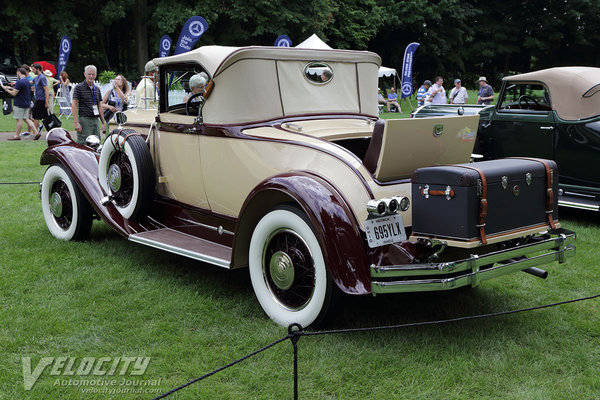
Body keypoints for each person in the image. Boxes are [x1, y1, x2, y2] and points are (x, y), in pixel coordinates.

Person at [72, 65, 106, 144]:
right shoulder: (79, 88)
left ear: (95, 75)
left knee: (96, 142)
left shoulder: (97, 89)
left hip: (95, 120)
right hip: (85, 120)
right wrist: (76, 123)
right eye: (89, 74)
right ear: (85, 74)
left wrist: (103, 122)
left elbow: (99, 106)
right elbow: (74, 105)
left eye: (93, 74)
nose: (91, 76)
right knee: (84, 143)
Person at [1, 67, 36, 140]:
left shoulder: (19, 82)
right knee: (26, 119)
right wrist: (9, 87)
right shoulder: (27, 81)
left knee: (19, 120)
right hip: (26, 103)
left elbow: (14, 93)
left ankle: (17, 135)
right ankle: (36, 132)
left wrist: (7, 90)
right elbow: (20, 90)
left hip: (19, 103)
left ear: (19, 73)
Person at [31, 63, 49, 140]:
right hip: (38, 99)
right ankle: (39, 128)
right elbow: (29, 83)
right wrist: (16, 84)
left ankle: (36, 133)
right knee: (41, 116)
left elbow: (46, 90)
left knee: (35, 115)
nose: (32, 71)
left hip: (41, 100)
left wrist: (46, 101)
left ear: (38, 69)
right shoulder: (37, 77)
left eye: (33, 69)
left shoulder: (42, 77)